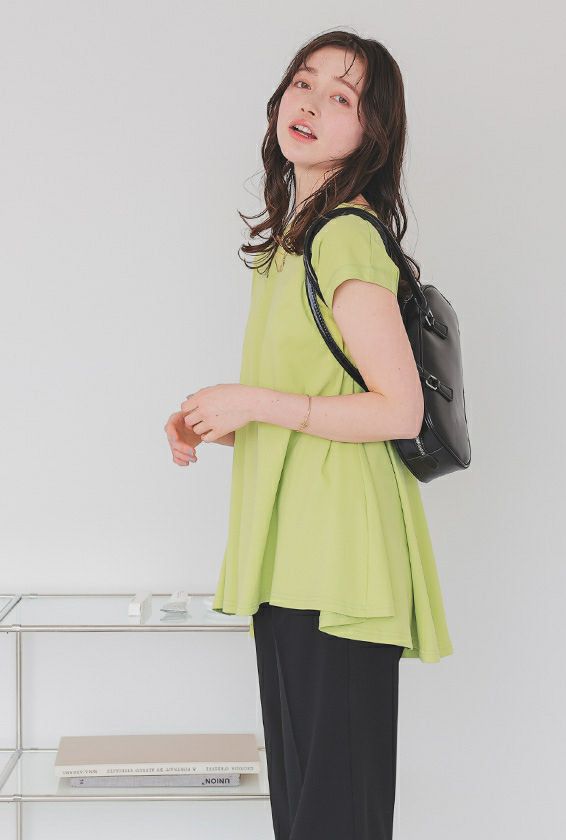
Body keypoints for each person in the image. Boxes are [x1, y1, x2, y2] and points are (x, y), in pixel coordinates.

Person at [163, 30, 453, 840]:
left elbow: (399, 411)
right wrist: (218, 419)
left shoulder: (344, 236)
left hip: (340, 566)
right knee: (307, 818)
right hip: (296, 560)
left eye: (342, 96)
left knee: (331, 819)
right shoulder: (295, 241)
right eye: (304, 82)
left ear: (371, 132)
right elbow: (316, 405)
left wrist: (254, 399)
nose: (313, 103)